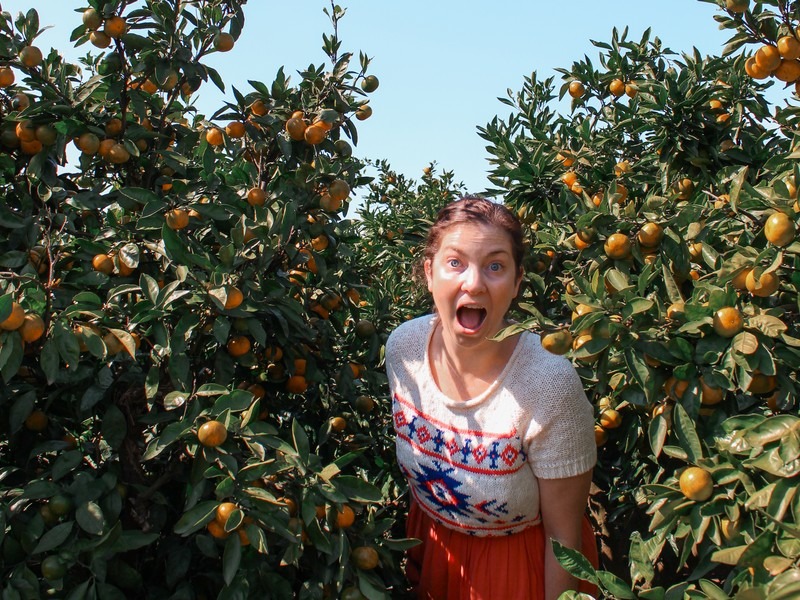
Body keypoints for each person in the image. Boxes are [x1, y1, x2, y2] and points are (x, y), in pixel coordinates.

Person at [385, 196, 598, 600]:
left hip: (517, 571)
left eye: (495, 266)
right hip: (433, 548)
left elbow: (564, 537)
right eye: (455, 263)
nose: (474, 283)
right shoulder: (403, 349)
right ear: (429, 273)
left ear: (517, 283)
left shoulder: (548, 384)